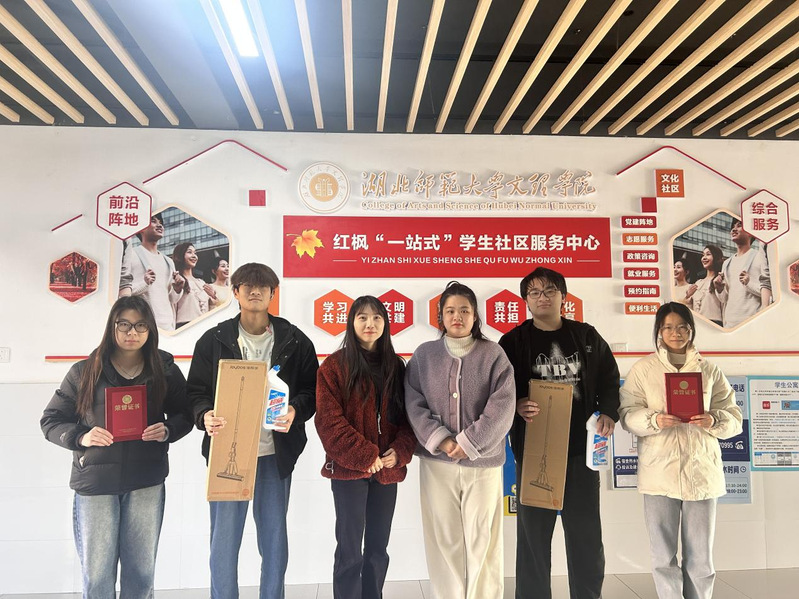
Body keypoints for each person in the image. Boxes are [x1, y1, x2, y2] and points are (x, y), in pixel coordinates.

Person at [40, 296, 192, 599]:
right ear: (112, 326)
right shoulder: (85, 371)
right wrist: (82, 437)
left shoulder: (164, 369)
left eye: (140, 325)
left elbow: (186, 414)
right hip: (96, 484)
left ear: (150, 329)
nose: (132, 332)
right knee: (97, 576)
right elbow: (51, 420)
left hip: (146, 481)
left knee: (141, 574)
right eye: (124, 324)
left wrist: (168, 429)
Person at [187, 262, 318, 599]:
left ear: (273, 294)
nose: (255, 292)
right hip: (227, 452)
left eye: (263, 287)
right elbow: (195, 392)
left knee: (274, 540)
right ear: (236, 292)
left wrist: (295, 410)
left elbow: (312, 390)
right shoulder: (214, 340)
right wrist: (204, 415)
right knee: (223, 541)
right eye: (248, 286)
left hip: (275, 454)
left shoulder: (295, 340)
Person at [498, 267, 620, 599]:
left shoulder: (586, 337)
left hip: (580, 455)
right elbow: (498, 392)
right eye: (535, 292)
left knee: (586, 538)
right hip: (535, 453)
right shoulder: (512, 342)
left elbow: (609, 379)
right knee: (533, 541)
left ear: (563, 297)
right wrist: (516, 405)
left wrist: (609, 412)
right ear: (526, 300)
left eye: (550, 290)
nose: (543, 297)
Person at [619, 302, 742, 599]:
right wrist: (654, 420)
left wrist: (714, 420)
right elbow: (627, 414)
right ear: (659, 332)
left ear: (691, 330)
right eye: (668, 327)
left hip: (702, 473)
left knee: (701, 556)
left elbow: (735, 417)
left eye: (682, 327)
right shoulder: (644, 370)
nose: (676, 333)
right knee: (663, 556)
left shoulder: (709, 370)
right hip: (659, 473)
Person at [405, 281, 515, 599]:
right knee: (444, 539)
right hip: (437, 463)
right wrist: (441, 440)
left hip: (483, 463)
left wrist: (468, 443)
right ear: (440, 316)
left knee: (484, 539)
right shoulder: (424, 356)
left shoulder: (493, 355)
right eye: (450, 310)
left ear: (475, 315)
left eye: (464, 310)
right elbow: (413, 402)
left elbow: (503, 405)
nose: (457, 316)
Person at [315, 296, 417, 599]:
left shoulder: (396, 367)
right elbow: (328, 421)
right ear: (352, 323)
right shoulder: (334, 366)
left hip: (387, 471)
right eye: (362, 317)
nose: (370, 323)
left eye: (376, 317)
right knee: (349, 551)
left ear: (385, 323)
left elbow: (409, 418)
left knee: (377, 549)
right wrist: (365, 455)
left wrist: (400, 451)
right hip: (348, 472)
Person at [712, 218, 771, 328]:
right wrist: (719, 289)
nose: (733, 229)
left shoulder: (759, 257)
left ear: (750, 233)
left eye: (739, 225)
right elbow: (725, 299)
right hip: (730, 324)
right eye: (732, 227)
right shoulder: (726, 263)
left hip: (752, 323)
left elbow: (769, 293)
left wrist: (749, 283)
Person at [173, 242, 215, 327]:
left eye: (195, 253)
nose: (194, 256)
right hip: (184, 326)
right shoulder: (176, 280)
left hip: (205, 326)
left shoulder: (201, 282)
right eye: (189, 252)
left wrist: (213, 296)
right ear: (180, 255)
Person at [684, 245, 724, 326]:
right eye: (703, 255)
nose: (704, 258)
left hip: (715, 324)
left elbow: (725, 303)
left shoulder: (720, 280)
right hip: (698, 325)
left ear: (716, 257)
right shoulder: (698, 283)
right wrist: (688, 296)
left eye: (708, 254)